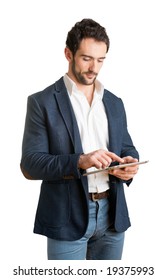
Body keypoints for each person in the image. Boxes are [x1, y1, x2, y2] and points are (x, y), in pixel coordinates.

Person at [20, 18, 139, 260]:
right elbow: (30, 164)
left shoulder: (114, 102)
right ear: (68, 53)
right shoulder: (42, 102)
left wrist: (130, 164)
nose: (94, 68)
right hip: (66, 216)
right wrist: (80, 161)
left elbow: (127, 147)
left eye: (101, 60)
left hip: (113, 215)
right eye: (86, 58)